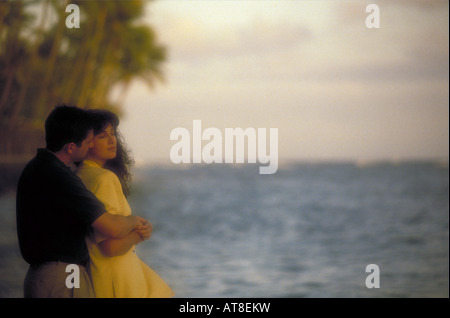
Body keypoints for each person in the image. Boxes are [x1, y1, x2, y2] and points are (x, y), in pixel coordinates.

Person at [16, 105, 149, 298]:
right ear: (71, 147)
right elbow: (111, 227)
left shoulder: (37, 167)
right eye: (88, 142)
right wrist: (136, 224)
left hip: (46, 274)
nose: (89, 147)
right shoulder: (61, 177)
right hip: (62, 276)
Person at [76, 109, 174, 298]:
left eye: (113, 133)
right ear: (87, 141)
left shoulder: (78, 176)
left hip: (96, 277)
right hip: (118, 280)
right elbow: (110, 247)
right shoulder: (104, 179)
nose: (112, 141)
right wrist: (139, 234)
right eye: (103, 136)